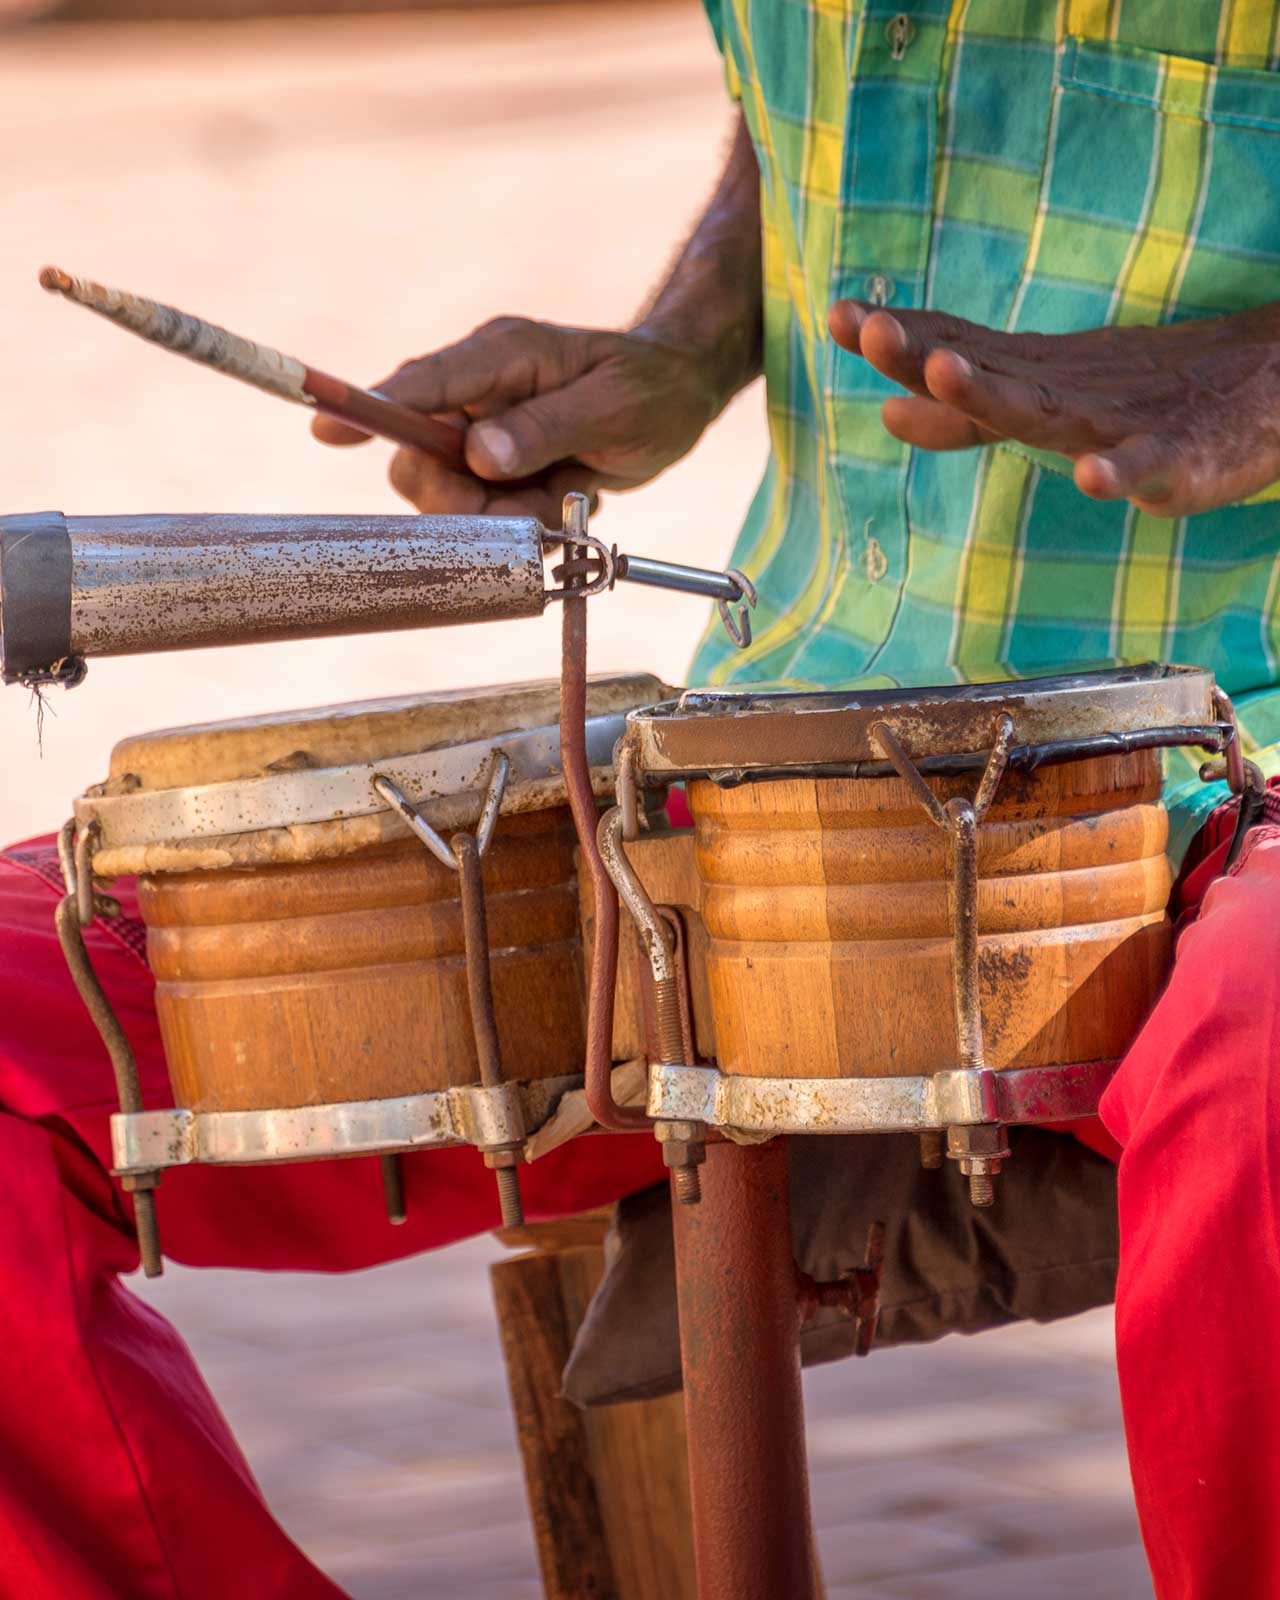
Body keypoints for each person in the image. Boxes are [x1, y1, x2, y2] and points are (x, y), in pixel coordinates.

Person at [2, 5, 1278, 1597]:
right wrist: (689, 336)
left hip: (1242, 763)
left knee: (1266, 1073)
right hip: (760, 762)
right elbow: (838, 80)